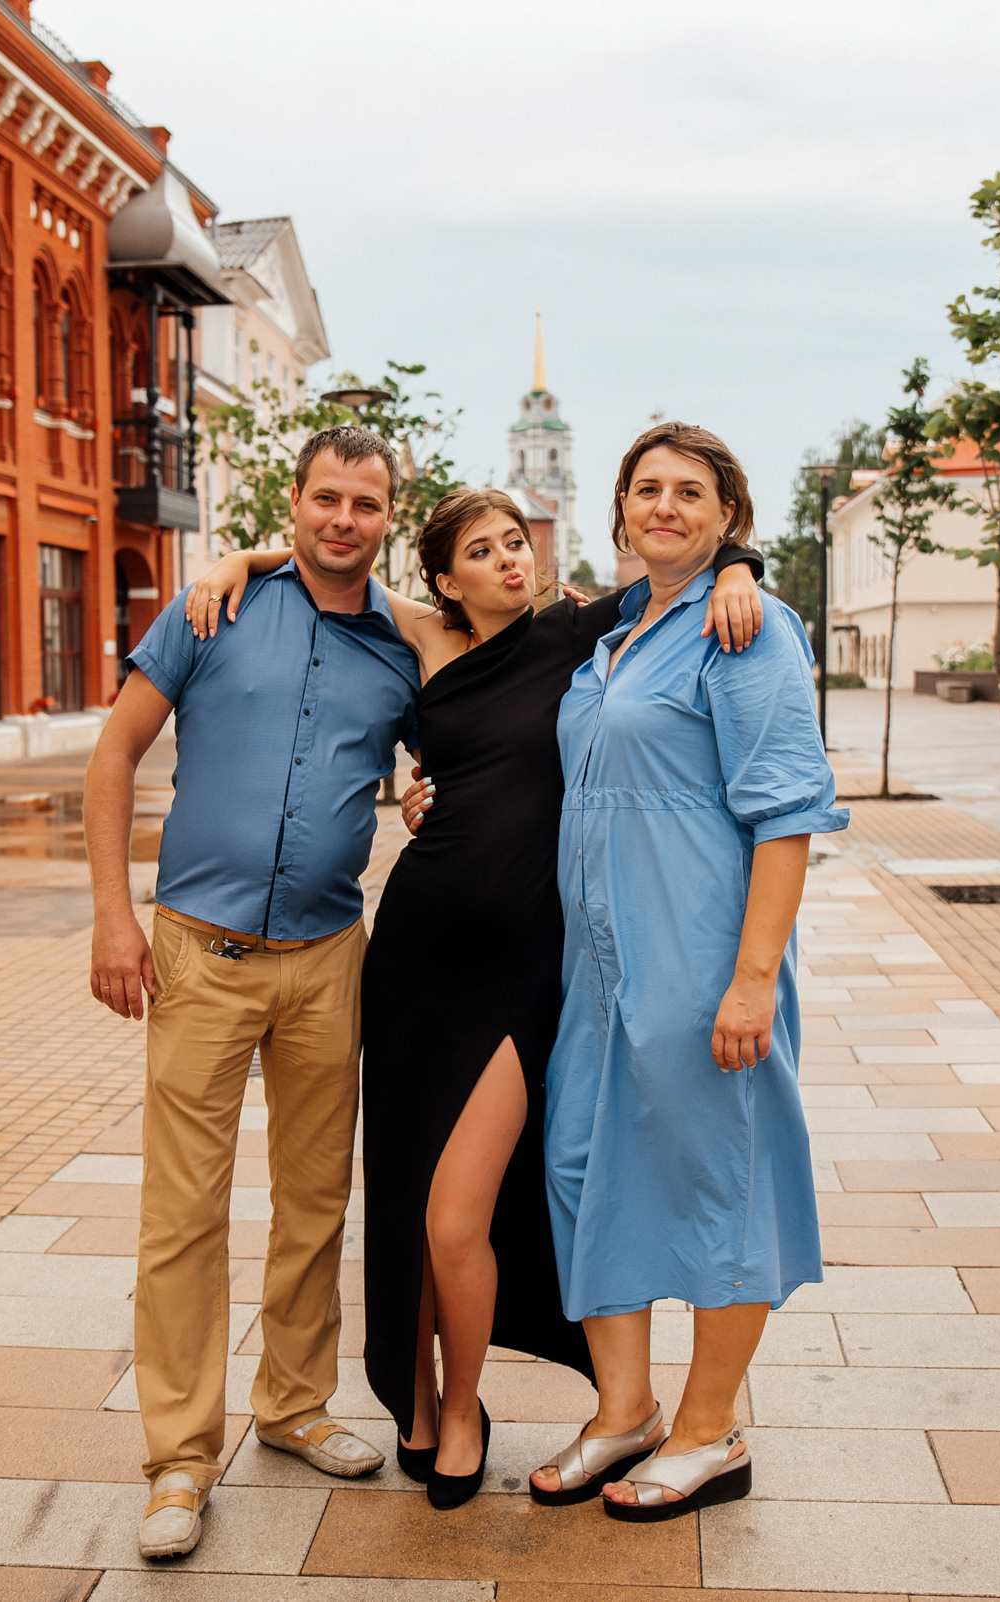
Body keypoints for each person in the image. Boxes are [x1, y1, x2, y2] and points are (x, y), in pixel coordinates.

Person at [183, 490, 766, 1511]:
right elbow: (340, 559)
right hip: (413, 953)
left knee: (460, 1214)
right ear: (446, 579)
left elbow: (677, 572)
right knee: (404, 1198)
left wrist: (740, 569)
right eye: (483, 551)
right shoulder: (424, 633)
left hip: (519, 967)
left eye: (515, 544)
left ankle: (466, 1407)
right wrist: (240, 557)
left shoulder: (580, 628)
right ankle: (415, 1402)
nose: (509, 561)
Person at [84, 425, 413, 1561]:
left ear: (387, 520)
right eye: (326, 499)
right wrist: (112, 916)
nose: (342, 521)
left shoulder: (402, 646)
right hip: (197, 952)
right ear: (295, 501)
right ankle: (179, 1459)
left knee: (316, 1202)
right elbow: (115, 754)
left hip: (331, 959)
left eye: (365, 506)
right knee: (182, 1214)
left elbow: (511, 648)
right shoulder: (210, 610)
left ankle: (294, 1405)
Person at [530, 422, 846, 1521]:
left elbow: (789, 812)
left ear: (725, 519)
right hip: (599, 964)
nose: (666, 505)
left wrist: (753, 977)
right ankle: (627, 1411)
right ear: (619, 511)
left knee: (724, 1179)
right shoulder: (614, 632)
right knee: (580, 1166)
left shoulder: (746, 630)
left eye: (692, 493)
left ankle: (712, 1430)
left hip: (703, 952)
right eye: (647, 489)